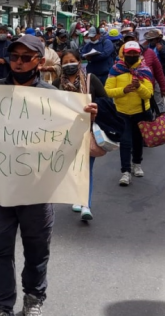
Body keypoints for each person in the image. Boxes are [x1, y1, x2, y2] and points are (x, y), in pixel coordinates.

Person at [0, 35, 97, 316]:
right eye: (14, 57)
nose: (18, 62)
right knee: (0, 250)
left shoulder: (54, 98)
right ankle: (1, 306)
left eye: (26, 57)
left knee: (36, 250)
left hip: (38, 191)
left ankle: (34, 299)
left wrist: (87, 119)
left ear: (40, 61)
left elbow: (70, 143)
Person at [52, 49, 107, 221]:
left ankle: (85, 204)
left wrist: (95, 109)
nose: (69, 65)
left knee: (86, 169)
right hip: (66, 133)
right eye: (65, 62)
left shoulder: (91, 80)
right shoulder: (56, 84)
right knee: (71, 168)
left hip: (87, 131)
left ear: (79, 61)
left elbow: (106, 102)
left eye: (72, 61)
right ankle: (76, 197)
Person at [106, 41, 153, 186]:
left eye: (135, 53)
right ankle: (125, 172)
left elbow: (148, 94)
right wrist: (123, 90)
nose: (132, 55)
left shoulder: (145, 71)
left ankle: (137, 164)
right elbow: (107, 91)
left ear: (139, 53)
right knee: (125, 142)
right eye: (129, 53)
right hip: (122, 112)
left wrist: (138, 87)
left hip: (140, 111)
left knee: (138, 141)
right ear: (124, 53)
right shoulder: (115, 70)